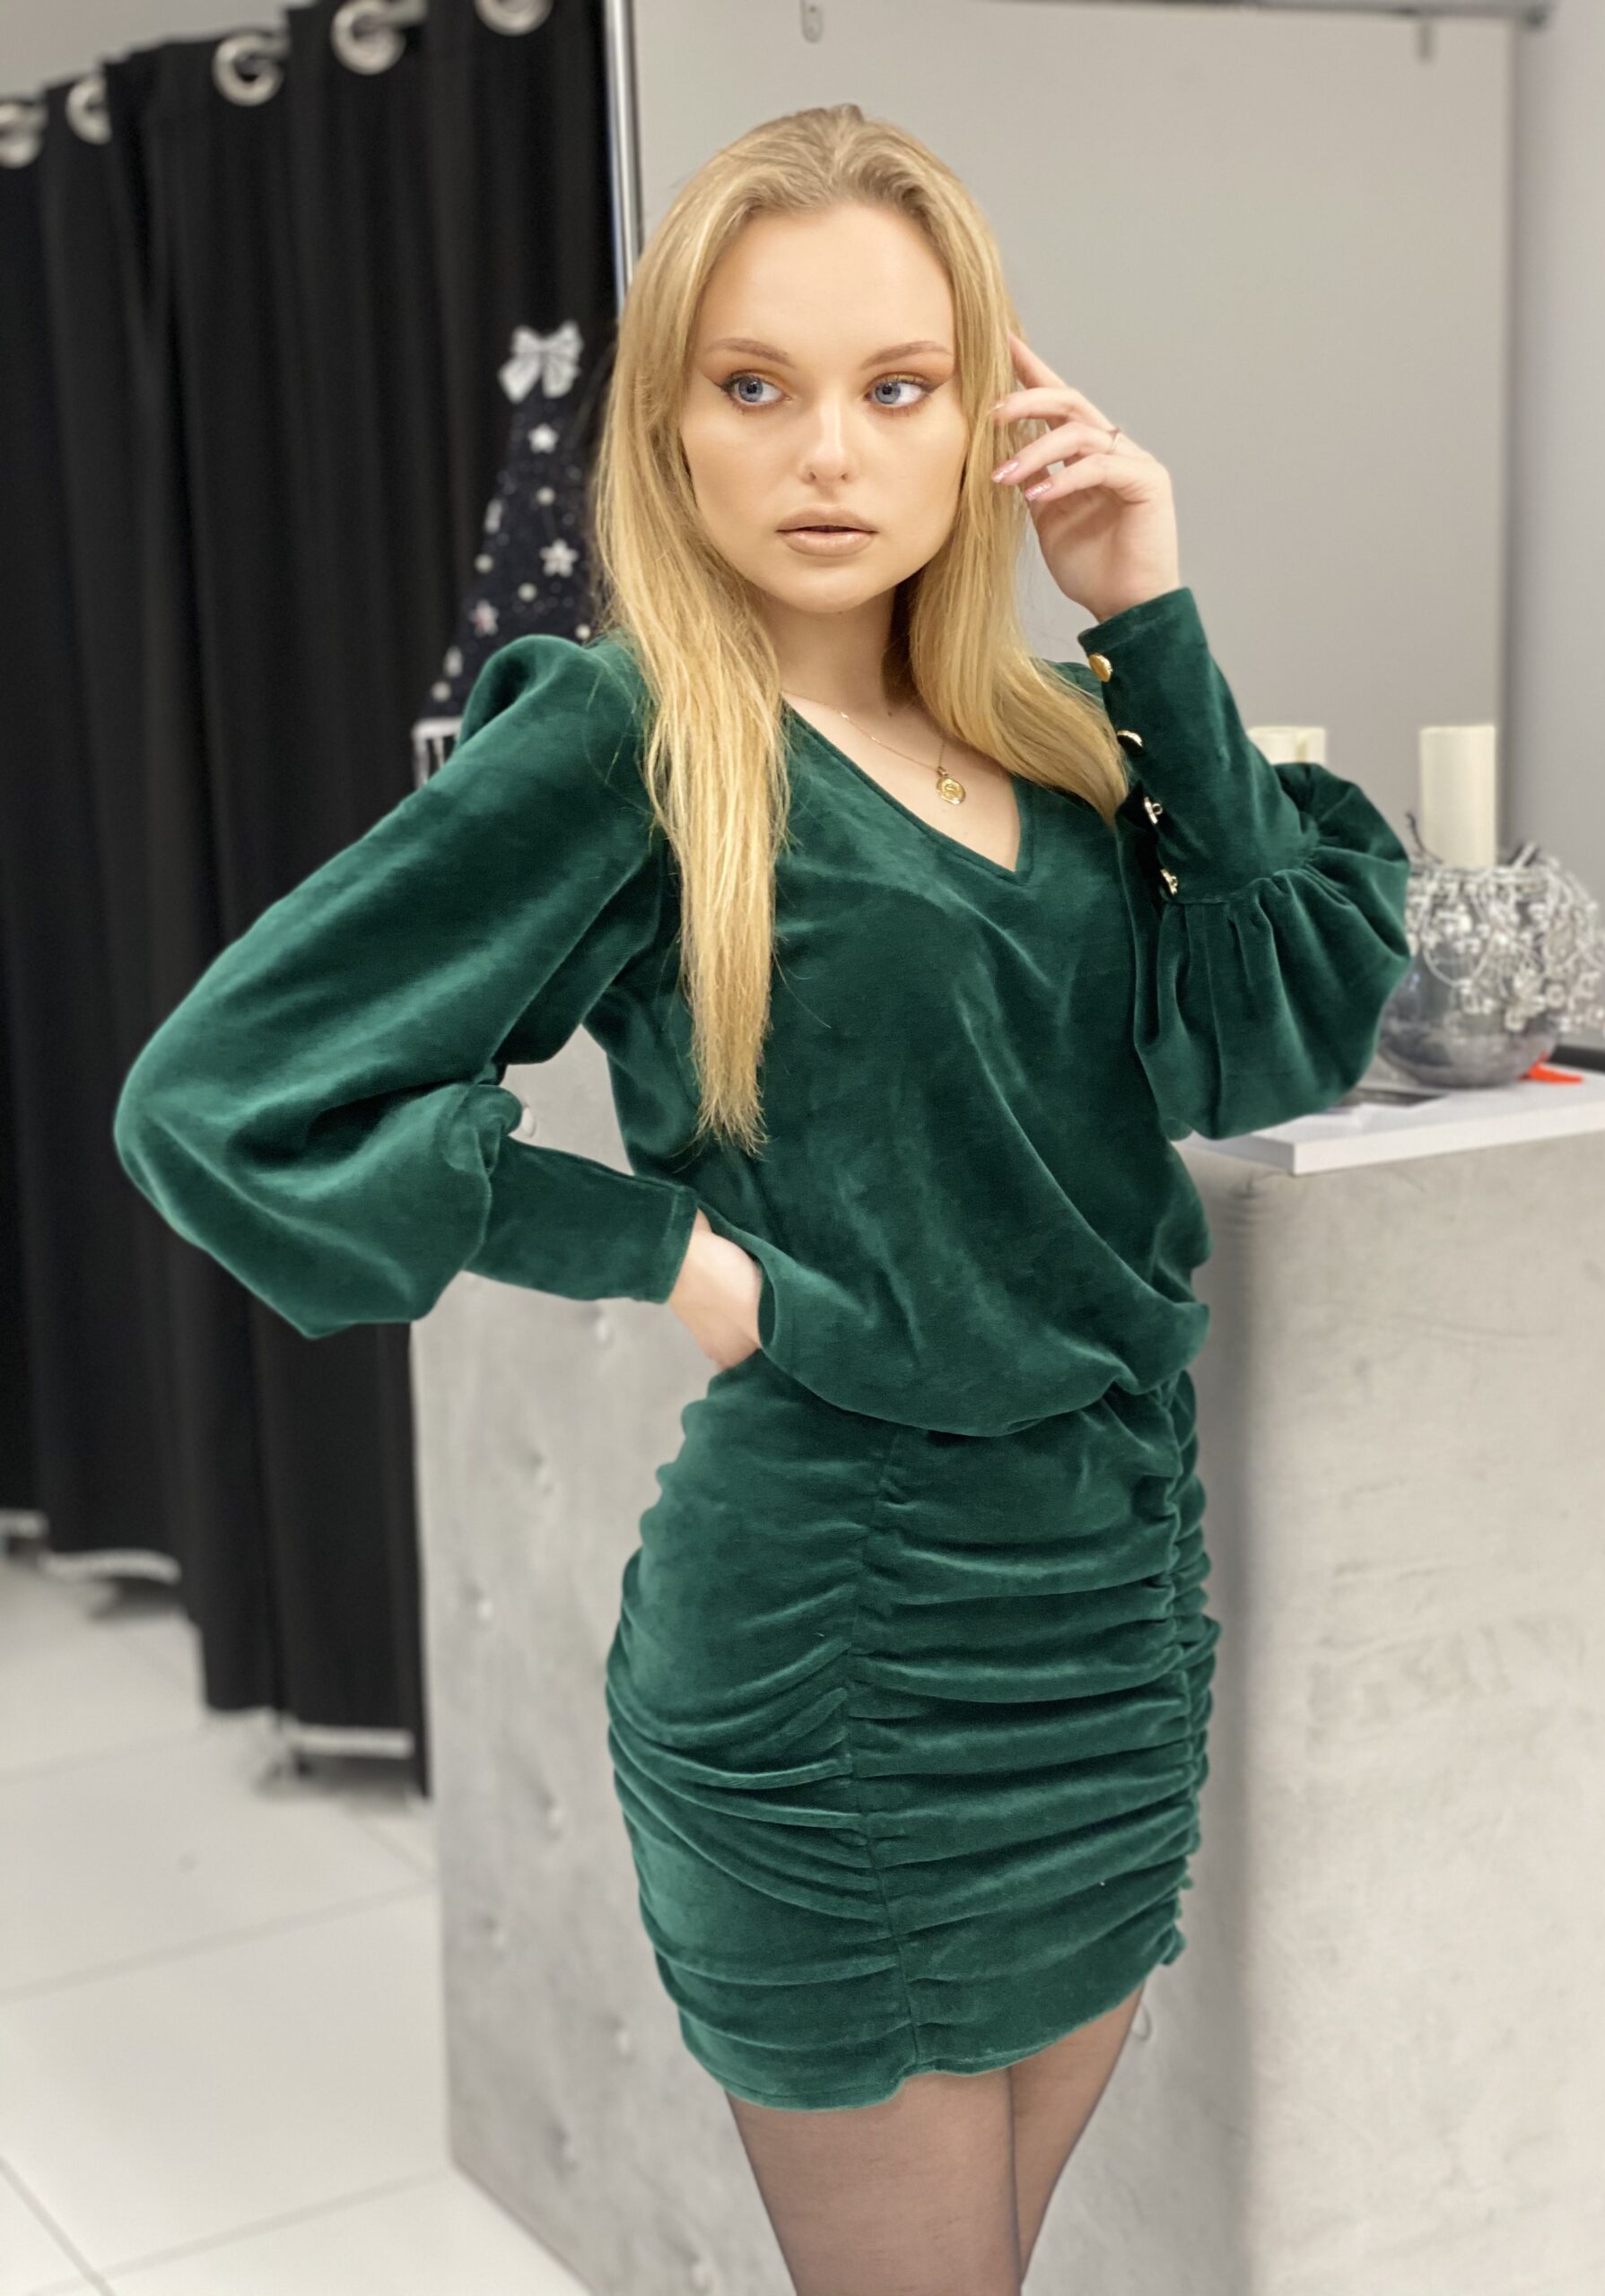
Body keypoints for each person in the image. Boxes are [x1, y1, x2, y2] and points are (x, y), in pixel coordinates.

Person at [113, 102, 1412, 2296]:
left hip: (1109, 1613)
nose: (828, 452)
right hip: (842, 1627)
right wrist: (662, 1247)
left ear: (987, 418)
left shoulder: (1066, 749)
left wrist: (1147, 607)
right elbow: (224, 1097)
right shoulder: (629, 734)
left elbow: (1281, 1032)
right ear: (671, 427)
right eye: (755, 385)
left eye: (897, 387)